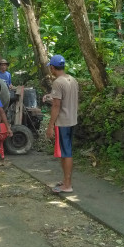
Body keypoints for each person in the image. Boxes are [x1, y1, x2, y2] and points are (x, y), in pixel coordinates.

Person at [44, 55, 78, 193]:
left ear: (52, 67)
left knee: (66, 153)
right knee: (66, 151)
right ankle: (65, 180)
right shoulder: (72, 80)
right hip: (72, 120)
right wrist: (49, 96)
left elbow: (56, 105)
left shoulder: (58, 82)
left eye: (50, 67)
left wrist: (50, 125)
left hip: (62, 122)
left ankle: (67, 185)